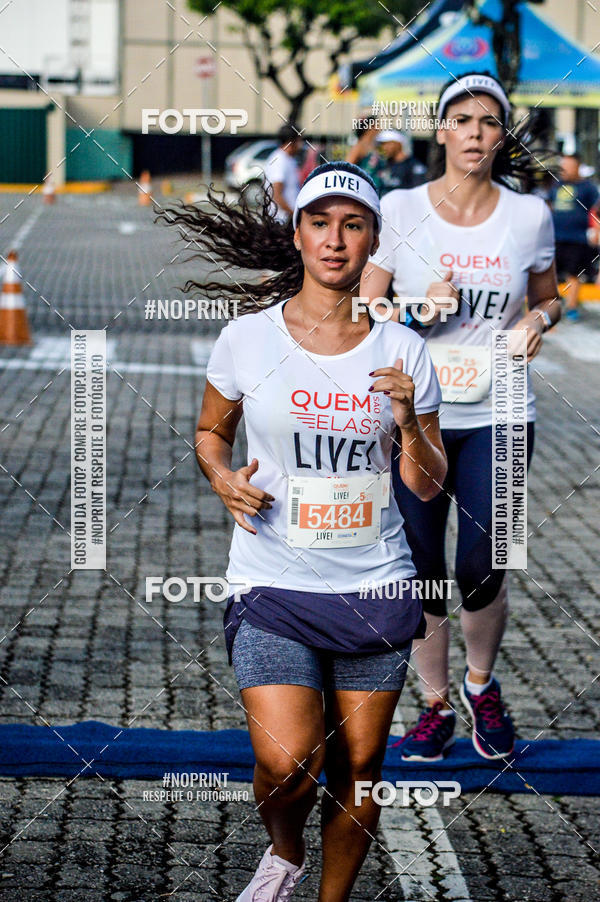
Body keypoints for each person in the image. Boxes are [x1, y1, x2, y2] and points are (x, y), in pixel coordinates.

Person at [173, 161, 447, 900]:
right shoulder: (247, 338)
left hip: (375, 581)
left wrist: (406, 422)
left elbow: (427, 481)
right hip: (272, 581)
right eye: (320, 223)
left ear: (371, 243)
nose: (335, 240)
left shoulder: (404, 350)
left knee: (361, 768)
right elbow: (209, 432)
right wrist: (221, 476)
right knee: (288, 762)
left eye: (352, 226)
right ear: (297, 234)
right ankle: (284, 850)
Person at [360, 71, 561, 762]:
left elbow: (550, 296)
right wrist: (420, 311)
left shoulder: (529, 214)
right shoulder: (400, 206)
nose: (475, 133)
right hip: (418, 414)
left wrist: (539, 319)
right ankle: (435, 703)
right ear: (442, 130)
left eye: (487, 122)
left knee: (482, 563)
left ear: (502, 134)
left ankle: (482, 686)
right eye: (462, 121)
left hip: (502, 409)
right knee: (420, 565)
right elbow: (365, 306)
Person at [549, 152, 598, 321]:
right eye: (563, 166)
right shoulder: (556, 185)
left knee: (573, 274)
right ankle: (551, 307)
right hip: (555, 237)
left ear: (577, 167)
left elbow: (596, 211)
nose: (565, 169)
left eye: (568, 165)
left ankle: (571, 308)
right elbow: (549, 207)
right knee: (551, 274)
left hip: (577, 238)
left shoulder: (587, 187)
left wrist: (596, 231)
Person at [263, 123, 303, 224]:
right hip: (280, 221)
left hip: (288, 219)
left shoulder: (289, 159)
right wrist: (294, 214)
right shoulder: (279, 160)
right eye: (299, 140)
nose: (301, 145)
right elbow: (276, 194)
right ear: (291, 142)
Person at [375, 129, 427, 195]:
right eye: (382, 144)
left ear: (398, 143)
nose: (384, 148)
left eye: (387, 144)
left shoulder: (414, 166)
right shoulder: (383, 165)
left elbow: (419, 193)